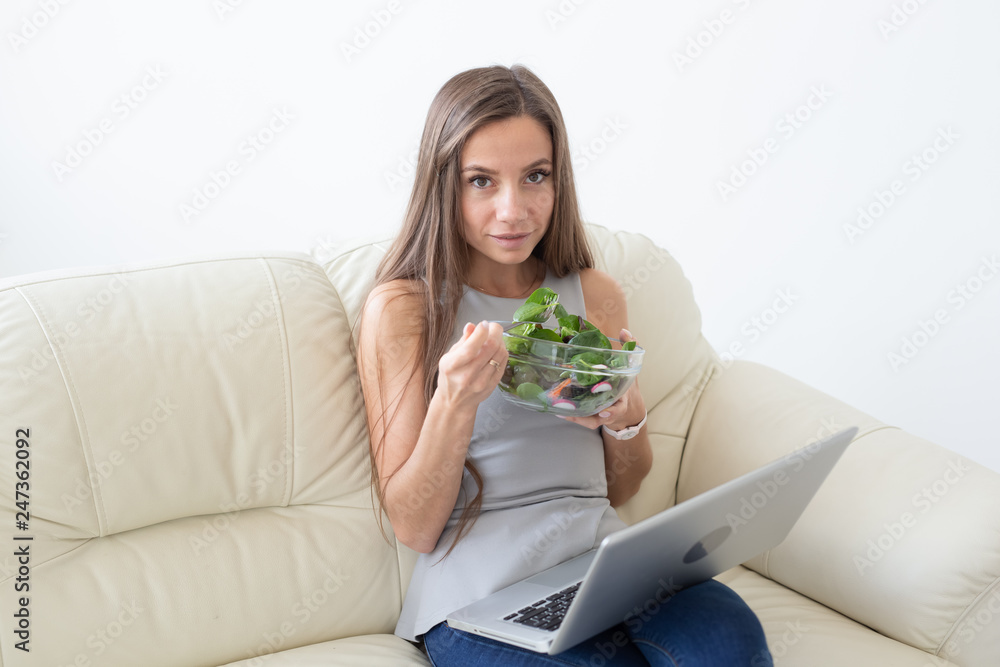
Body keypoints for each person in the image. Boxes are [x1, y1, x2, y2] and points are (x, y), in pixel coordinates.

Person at [356, 64, 772, 666]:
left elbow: (621, 485)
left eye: (535, 177)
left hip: (607, 566)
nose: (513, 210)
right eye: (481, 181)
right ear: (443, 184)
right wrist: (454, 402)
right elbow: (416, 529)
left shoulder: (593, 294)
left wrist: (623, 418)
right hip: (479, 595)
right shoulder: (404, 309)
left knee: (730, 645)